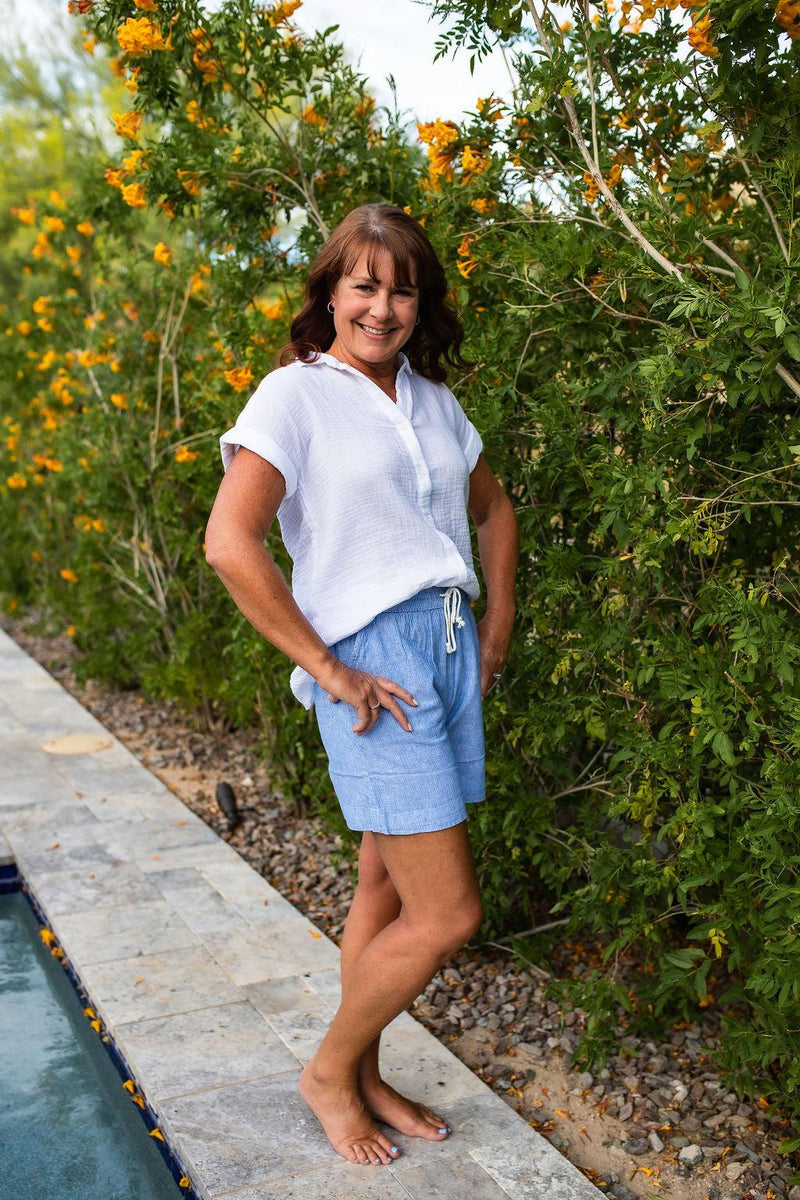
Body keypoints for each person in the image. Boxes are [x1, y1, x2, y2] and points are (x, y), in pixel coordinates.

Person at [205, 203, 518, 1167]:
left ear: (422, 305)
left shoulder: (432, 400)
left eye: (402, 291)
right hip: (375, 664)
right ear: (331, 292)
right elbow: (230, 543)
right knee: (449, 914)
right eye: (364, 285)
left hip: (448, 645)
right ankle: (329, 1071)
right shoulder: (294, 396)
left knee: (382, 885)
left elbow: (493, 509)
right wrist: (329, 666)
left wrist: (498, 625)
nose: (382, 308)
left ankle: (367, 1076)